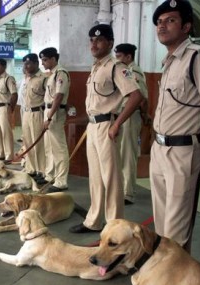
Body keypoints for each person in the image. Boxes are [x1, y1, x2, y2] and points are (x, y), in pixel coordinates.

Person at [150, 0, 200, 252]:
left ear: (186, 26)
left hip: (182, 153)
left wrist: (195, 139)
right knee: (161, 223)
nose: (162, 26)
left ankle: (174, 282)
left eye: (170, 20)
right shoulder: (170, 61)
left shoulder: (199, 57)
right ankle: (162, 275)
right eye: (159, 22)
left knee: (176, 228)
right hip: (159, 149)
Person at [69, 24, 144, 233]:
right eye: (91, 40)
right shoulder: (96, 67)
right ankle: (93, 221)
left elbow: (136, 95)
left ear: (109, 44)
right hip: (93, 126)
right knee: (95, 176)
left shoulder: (116, 67)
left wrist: (117, 123)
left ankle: (114, 226)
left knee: (111, 176)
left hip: (107, 126)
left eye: (99, 40)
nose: (94, 44)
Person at [114, 43, 151, 205]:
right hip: (121, 115)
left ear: (128, 57)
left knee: (128, 153)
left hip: (130, 116)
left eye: (120, 56)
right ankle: (122, 188)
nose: (117, 60)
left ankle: (128, 192)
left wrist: (144, 115)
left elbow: (142, 97)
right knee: (121, 153)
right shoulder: (123, 71)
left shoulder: (133, 72)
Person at [38, 47, 70, 193]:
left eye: (44, 60)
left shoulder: (60, 73)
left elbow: (59, 96)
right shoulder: (52, 75)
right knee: (49, 147)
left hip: (55, 112)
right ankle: (50, 175)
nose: (43, 63)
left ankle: (61, 181)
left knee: (59, 147)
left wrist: (50, 116)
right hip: (48, 110)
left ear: (53, 59)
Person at [21, 53, 47, 178]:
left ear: (36, 64)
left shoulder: (43, 78)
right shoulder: (26, 78)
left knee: (38, 142)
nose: (26, 66)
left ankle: (41, 170)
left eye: (29, 63)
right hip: (26, 113)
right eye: (25, 64)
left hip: (38, 113)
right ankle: (31, 168)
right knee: (28, 141)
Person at [0, 59, 18, 163]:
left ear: (4, 67)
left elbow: (14, 94)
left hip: (4, 107)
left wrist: (11, 109)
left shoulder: (9, 79)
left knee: (6, 132)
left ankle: (9, 155)